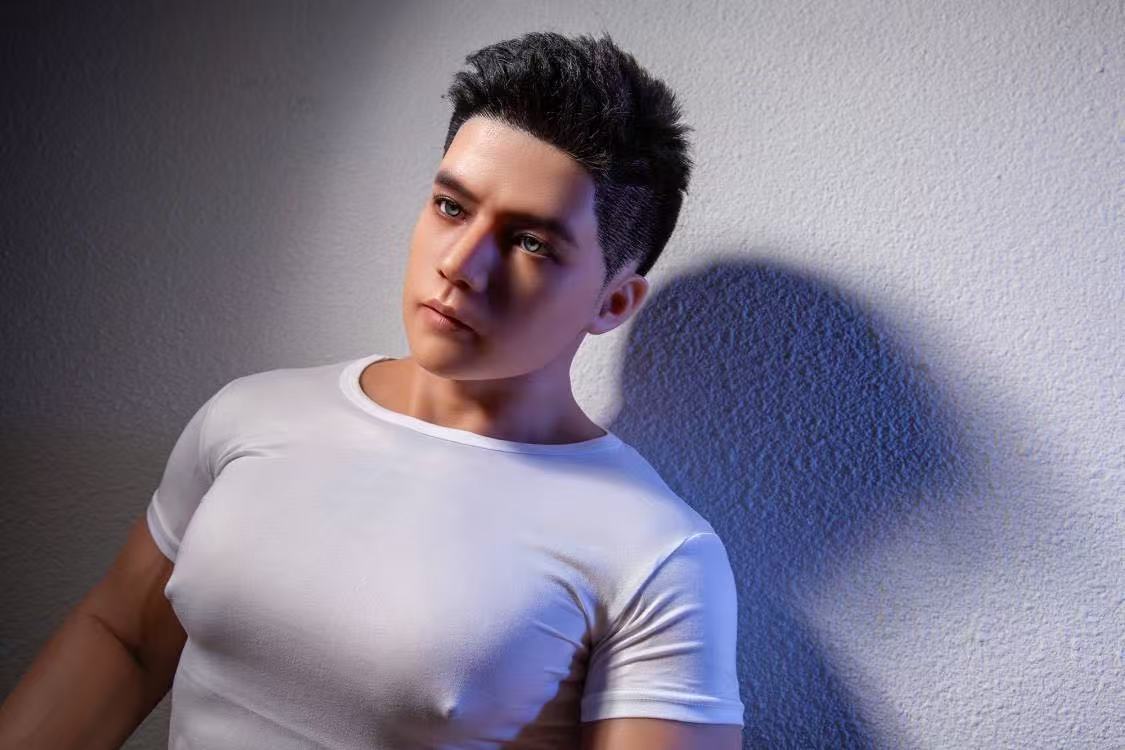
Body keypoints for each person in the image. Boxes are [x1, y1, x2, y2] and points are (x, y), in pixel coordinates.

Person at [0, 31, 744, 749]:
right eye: (451, 207)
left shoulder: (655, 554)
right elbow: (126, 640)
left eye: (530, 242)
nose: (460, 264)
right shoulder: (252, 413)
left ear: (612, 303)